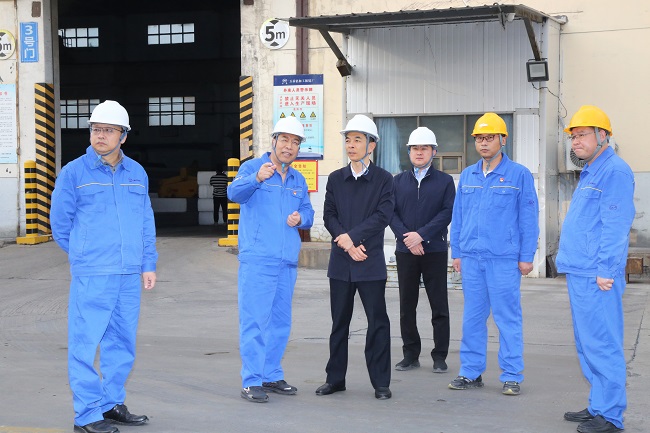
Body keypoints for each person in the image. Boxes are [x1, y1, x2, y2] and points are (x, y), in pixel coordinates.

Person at [50, 100, 157, 433]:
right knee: (84, 345)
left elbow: (145, 221)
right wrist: (83, 254)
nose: (101, 135)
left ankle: (111, 404)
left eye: (109, 130)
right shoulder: (74, 173)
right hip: (93, 273)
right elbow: (60, 223)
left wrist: (147, 263)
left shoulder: (136, 173)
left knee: (121, 343)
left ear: (123, 136)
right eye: (96, 129)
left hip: (128, 273)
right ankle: (86, 415)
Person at [448, 112, 539, 396]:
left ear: (503, 140)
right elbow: (458, 216)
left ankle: (511, 375)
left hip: (503, 259)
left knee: (507, 318)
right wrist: (457, 251)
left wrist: (526, 256)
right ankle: (470, 372)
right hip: (472, 259)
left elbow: (528, 218)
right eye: (479, 138)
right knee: (472, 318)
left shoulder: (519, 175)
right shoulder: (468, 175)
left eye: (490, 138)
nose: (484, 143)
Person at [556, 106, 635, 433]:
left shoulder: (614, 172)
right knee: (587, 344)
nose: (575, 142)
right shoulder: (591, 171)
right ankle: (599, 405)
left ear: (603, 136)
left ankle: (611, 416)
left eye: (582, 135)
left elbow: (615, 226)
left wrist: (606, 269)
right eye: (573, 137)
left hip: (597, 274)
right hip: (581, 270)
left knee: (602, 343)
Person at [227, 116, 314, 403]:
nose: (289, 146)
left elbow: (309, 212)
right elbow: (233, 193)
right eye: (285, 139)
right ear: (274, 141)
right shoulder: (253, 167)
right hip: (258, 260)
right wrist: (256, 179)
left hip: (286, 261)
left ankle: (271, 374)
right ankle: (252, 380)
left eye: (295, 142)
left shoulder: (298, 179)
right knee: (255, 321)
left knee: (280, 322)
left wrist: (301, 217)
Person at [316, 114, 395, 400]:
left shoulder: (384, 179)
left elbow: (383, 215)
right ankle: (335, 379)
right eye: (348, 140)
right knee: (339, 323)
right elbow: (329, 215)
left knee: (377, 322)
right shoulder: (336, 179)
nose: (351, 145)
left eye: (357, 140)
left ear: (371, 145)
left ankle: (381, 383)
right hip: (342, 262)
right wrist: (347, 243)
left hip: (369, 261)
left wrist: (354, 239)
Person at [389, 127, 455, 374]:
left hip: (434, 250)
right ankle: (410, 354)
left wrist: (422, 235)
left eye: (424, 148)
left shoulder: (445, 182)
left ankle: (440, 356)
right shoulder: (397, 182)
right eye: (415, 148)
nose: (419, 152)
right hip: (406, 251)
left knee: (439, 305)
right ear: (409, 152)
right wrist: (409, 239)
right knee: (407, 306)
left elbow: (447, 213)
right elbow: (390, 213)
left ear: (433, 152)